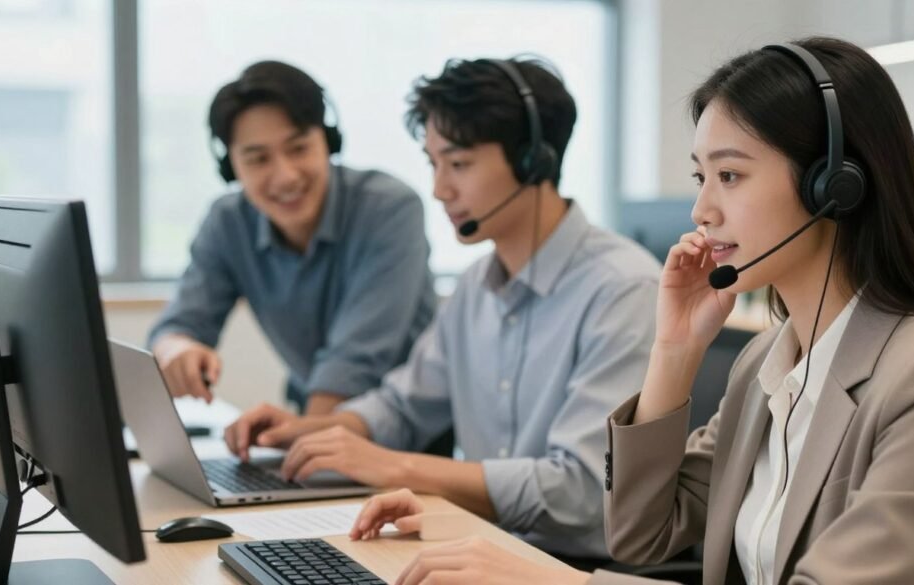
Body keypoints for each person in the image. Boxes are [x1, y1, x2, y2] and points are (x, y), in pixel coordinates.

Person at [352, 37, 914, 584]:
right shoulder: (767, 363)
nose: (702, 210)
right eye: (700, 177)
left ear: (834, 184)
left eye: (729, 174)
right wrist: (674, 352)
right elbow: (641, 535)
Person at [223, 56, 661, 558]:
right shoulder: (477, 286)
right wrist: (307, 432)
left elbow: (581, 491)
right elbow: (402, 405)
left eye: (458, 164)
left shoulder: (622, 291)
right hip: (481, 549)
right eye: (433, 164)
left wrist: (397, 468)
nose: (439, 189)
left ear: (532, 160)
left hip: (574, 569)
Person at [148, 61, 436, 415]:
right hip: (316, 421)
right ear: (230, 168)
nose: (284, 176)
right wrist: (177, 350)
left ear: (328, 142)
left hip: (409, 432)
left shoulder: (389, 208)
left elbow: (355, 361)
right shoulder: (228, 222)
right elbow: (178, 326)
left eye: (298, 149)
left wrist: (303, 440)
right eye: (258, 159)